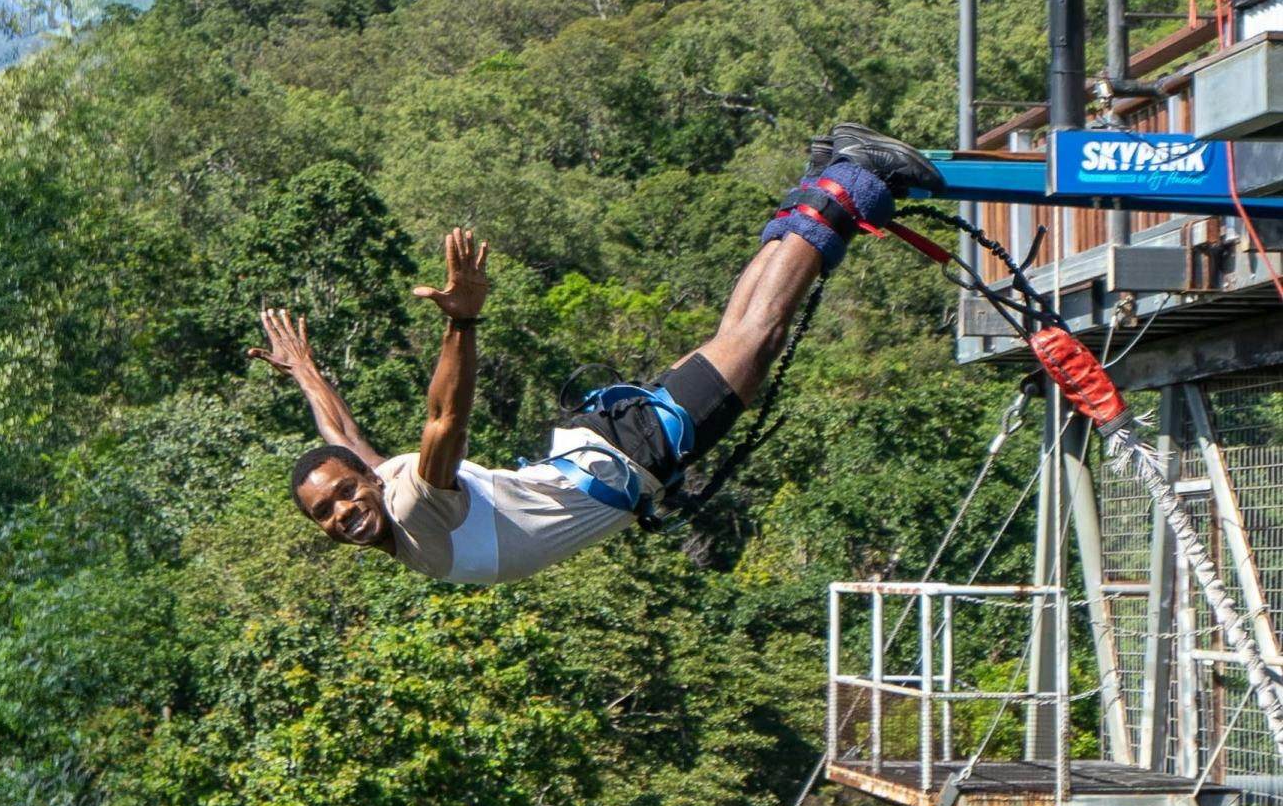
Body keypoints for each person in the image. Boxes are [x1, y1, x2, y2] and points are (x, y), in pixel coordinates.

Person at [255, 123, 944, 583]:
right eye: (328, 510)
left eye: (344, 493)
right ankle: (822, 179)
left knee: (756, 338)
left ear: (369, 485)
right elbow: (341, 439)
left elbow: (444, 423)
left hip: (630, 454)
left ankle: (850, 178)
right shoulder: (390, 494)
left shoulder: (413, 513)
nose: (344, 509)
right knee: (736, 338)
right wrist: (306, 372)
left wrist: (462, 324)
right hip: (603, 445)